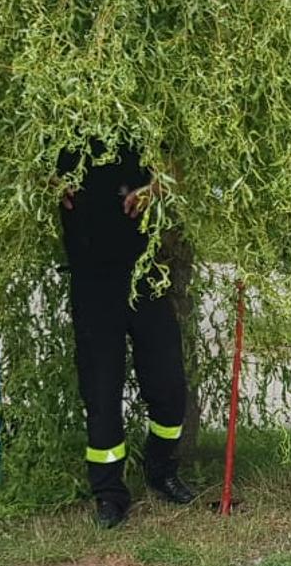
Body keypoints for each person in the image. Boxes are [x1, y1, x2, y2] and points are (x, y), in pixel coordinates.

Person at [57, 139, 196, 529]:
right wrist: (48, 184)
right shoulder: (58, 125)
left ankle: (162, 470)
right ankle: (109, 494)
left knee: (168, 385)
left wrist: (154, 190)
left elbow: (174, 171)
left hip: (147, 277)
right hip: (92, 281)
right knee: (101, 392)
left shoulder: (138, 120)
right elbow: (23, 174)